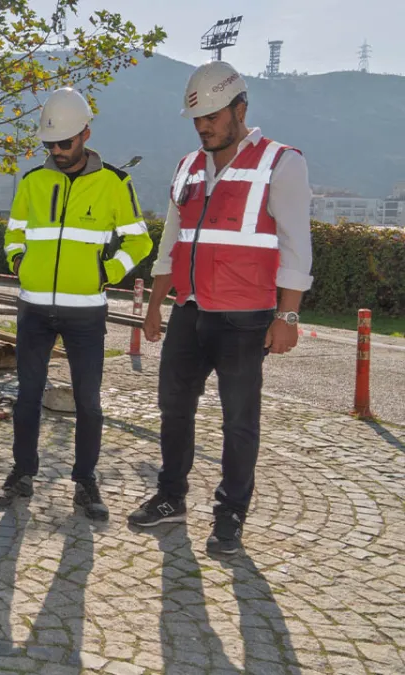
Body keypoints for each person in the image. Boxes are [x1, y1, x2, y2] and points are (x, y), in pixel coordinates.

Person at [127, 62, 312, 555]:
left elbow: (296, 245)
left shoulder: (281, 162)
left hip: (245, 318)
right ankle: (171, 497)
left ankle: (230, 513)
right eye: (197, 118)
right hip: (189, 311)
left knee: (239, 420)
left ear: (240, 108)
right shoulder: (187, 166)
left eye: (212, 115)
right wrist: (156, 306)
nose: (204, 125)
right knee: (173, 409)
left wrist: (287, 315)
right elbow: (172, 240)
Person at [0, 87, 153, 520]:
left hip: (86, 311)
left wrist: (108, 272)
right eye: (50, 144)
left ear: (85, 133)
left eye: (64, 143)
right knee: (26, 396)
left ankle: (85, 482)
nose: (57, 152)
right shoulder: (32, 181)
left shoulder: (115, 184)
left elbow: (140, 240)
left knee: (88, 400)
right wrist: (19, 261)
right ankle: (22, 473)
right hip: (34, 308)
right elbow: (13, 233)